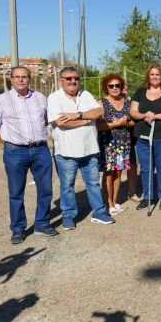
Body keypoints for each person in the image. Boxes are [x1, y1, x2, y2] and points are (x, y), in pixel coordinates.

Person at [0, 66, 57, 244]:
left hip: (41, 149)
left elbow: (46, 121)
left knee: (46, 189)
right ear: (11, 79)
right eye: (17, 77)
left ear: (30, 79)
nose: (20, 80)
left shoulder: (40, 98)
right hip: (15, 151)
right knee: (16, 192)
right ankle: (18, 228)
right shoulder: (1, 100)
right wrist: (7, 142)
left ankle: (42, 224)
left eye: (24, 77)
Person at [47, 66, 114, 229]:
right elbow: (61, 123)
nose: (73, 81)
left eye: (76, 78)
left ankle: (99, 212)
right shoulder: (54, 98)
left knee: (93, 183)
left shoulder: (86, 95)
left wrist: (78, 115)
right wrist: (86, 120)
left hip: (89, 149)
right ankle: (68, 216)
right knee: (67, 185)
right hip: (67, 151)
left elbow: (99, 111)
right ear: (61, 81)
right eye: (69, 78)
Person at [130, 63, 161, 210]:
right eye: (152, 74)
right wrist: (144, 115)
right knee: (146, 168)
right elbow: (133, 111)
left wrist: (155, 116)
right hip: (143, 137)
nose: (155, 77)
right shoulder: (140, 91)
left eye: (157, 74)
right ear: (148, 76)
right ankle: (148, 197)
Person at [97, 74, 134, 216]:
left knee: (119, 171)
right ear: (106, 87)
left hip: (123, 142)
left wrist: (126, 122)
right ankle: (109, 203)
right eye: (111, 86)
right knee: (108, 172)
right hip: (108, 142)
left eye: (117, 85)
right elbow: (99, 126)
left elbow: (132, 122)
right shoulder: (101, 103)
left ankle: (115, 200)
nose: (114, 88)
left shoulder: (127, 101)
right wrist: (116, 124)